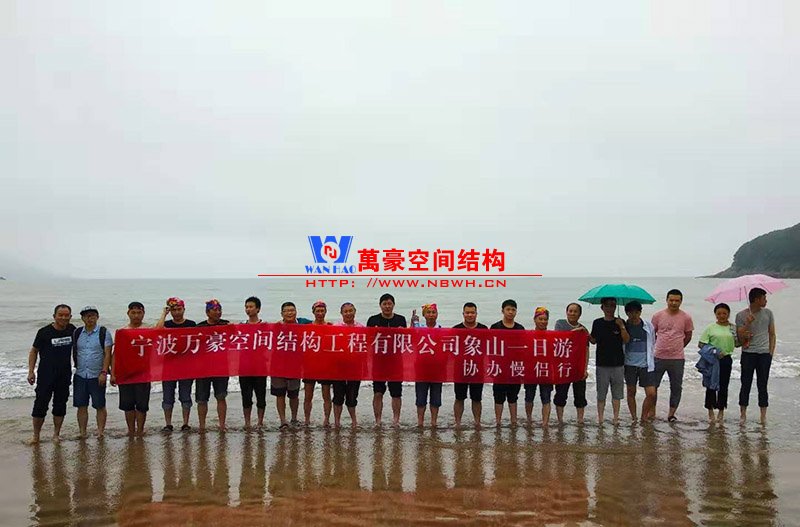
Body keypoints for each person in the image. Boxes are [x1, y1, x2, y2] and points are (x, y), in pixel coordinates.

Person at [28, 304, 76, 443]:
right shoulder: (44, 332)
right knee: (40, 405)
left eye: (66, 315)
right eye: (60, 315)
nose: (63, 318)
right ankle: (36, 436)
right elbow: (34, 351)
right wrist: (31, 371)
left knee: (60, 406)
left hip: (64, 375)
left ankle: (56, 435)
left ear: (70, 317)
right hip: (46, 375)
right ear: (54, 316)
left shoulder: (72, 330)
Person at [651, 289, 694, 422]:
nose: (674, 303)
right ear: (667, 300)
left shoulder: (686, 317)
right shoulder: (658, 316)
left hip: (677, 358)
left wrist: (678, 346)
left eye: (677, 300)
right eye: (671, 300)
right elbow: (652, 334)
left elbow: (688, 335)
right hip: (658, 356)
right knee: (653, 386)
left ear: (681, 301)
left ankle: (671, 414)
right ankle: (652, 412)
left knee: (676, 387)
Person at [111, 302, 152, 437]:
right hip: (125, 374)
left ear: (143, 314)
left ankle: (140, 430)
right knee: (127, 404)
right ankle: (131, 430)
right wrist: (113, 373)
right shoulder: (122, 332)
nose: (136, 316)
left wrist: (164, 313)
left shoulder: (148, 330)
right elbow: (116, 354)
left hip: (143, 373)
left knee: (142, 405)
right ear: (128, 313)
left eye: (139, 313)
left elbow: (161, 334)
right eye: (133, 313)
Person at [155, 297, 196, 431]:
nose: (177, 312)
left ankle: (185, 423)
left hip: (186, 366)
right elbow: (157, 331)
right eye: (174, 310)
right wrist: (164, 313)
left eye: (179, 309)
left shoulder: (191, 324)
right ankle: (168, 424)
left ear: (184, 309)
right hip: (168, 367)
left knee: (185, 396)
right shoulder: (167, 324)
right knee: (167, 397)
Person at [736, 287, 776, 425]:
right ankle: (743, 414)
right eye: (764, 298)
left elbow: (772, 334)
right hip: (748, 353)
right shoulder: (741, 315)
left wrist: (771, 352)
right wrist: (747, 323)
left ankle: (763, 416)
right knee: (745, 383)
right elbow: (739, 336)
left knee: (762, 384)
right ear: (756, 299)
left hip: (764, 354)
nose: (766, 301)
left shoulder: (768, 313)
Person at [366, 293, 407, 426]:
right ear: (380, 305)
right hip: (378, 361)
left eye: (389, 304)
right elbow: (366, 340)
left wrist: (403, 331)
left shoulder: (401, 319)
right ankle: (378, 420)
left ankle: (396, 420)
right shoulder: (373, 320)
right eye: (384, 304)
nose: (387, 306)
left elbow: (406, 340)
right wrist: (373, 333)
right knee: (378, 392)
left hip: (396, 361)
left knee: (396, 393)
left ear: (393, 305)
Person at [72, 305, 113, 438]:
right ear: (82, 318)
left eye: (92, 316)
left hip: (97, 375)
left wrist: (104, 372)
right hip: (80, 374)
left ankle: (100, 432)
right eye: (87, 316)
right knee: (81, 405)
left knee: (99, 405)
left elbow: (108, 354)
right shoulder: (77, 332)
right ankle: (82, 433)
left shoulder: (103, 332)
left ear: (97, 317)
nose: (90, 318)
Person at [589, 298, 629, 425]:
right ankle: (600, 418)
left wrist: (621, 326)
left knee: (617, 394)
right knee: (601, 393)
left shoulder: (620, 322)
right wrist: (583, 332)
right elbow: (593, 340)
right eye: (607, 305)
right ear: (602, 307)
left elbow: (626, 340)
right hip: (602, 363)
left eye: (612, 305)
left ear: (615, 307)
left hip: (618, 363)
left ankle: (615, 418)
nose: (609, 308)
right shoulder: (597, 322)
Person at [698, 303, 737, 424]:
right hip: (712, 360)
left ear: (728, 314)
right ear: (715, 314)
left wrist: (746, 336)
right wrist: (714, 351)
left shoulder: (733, 328)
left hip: (726, 359)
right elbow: (701, 344)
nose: (722, 316)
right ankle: (710, 411)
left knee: (723, 385)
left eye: (724, 313)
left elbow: (738, 343)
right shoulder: (711, 328)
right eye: (719, 313)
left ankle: (721, 411)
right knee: (711, 385)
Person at [195, 299, 231, 431]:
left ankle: (222, 425)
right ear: (207, 312)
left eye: (219, 310)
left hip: (221, 367)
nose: (218, 312)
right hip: (203, 368)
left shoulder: (226, 325)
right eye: (214, 310)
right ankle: (202, 426)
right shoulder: (199, 327)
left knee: (221, 396)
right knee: (202, 399)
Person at [452, 302, 488, 429]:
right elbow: (451, 349)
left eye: (472, 312)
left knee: (477, 398)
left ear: (476, 314)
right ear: (463, 314)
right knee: (459, 397)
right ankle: (457, 423)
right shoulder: (456, 329)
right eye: (467, 312)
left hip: (477, 368)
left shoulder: (484, 329)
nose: (470, 315)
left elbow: (489, 348)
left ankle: (477, 422)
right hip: (460, 368)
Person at [272, 302, 307, 429]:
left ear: (296, 312)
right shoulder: (276, 327)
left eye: (292, 310)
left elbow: (318, 325)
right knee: (280, 394)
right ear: (282, 313)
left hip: (295, 366)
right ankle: (283, 420)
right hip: (278, 366)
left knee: (294, 394)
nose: (289, 313)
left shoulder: (302, 324)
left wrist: (328, 325)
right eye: (286, 311)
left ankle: (294, 418)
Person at [553, 303, 589, 424]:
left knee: (580, 395)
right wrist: (576, 331)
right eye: (570, 311)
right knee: (561, 394)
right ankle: (560, 420)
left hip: (578, 366)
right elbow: (559, 338)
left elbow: (586, 350)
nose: (572, 313)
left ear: (580, 314)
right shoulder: (560, 323)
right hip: (563, 366)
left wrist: (585, 369)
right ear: (566, 312)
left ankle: (580, 420)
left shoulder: (583, 329)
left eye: (575, 311)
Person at [490, 299, 525, 426]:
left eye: (513, 310)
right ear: (502, 311)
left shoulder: (520, 328)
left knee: (513, 396)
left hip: (515, 367)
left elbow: (523, 348)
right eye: (508, 309)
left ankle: (514, 421)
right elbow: (490, 347)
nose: (510, 312)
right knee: (498, 396)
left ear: (516, 312)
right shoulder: (495, 327)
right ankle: (498, 422)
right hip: (499, 367)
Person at [623, 301, 656, 423]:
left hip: (646, 364)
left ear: (640, 312)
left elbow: (653, 341)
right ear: (627, 313)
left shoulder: (647, 325)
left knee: (651, 393)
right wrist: (621, 326)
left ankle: (644, 416)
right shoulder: (624, 326)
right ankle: (634, 417)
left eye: (636, 312)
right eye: (631, 312)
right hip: (629, 364)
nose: (634, 315)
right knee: (631, 392)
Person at [411, 303, 443, 428]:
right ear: (424, 315)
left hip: (437, 368)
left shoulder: (441, 329)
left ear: (437, 314)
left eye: (433, 312)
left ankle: (434, 422)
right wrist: (412, 322)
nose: (431, 315)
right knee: (420, 397)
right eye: (428, 312)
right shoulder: (419, 327)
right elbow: (411, 338)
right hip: (421, 367)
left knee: (436, 397)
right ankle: (420, 422)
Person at [332, 302, 364, 428]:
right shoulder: (336, 327)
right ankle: (337, 422)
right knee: (338, 396)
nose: (348, 313)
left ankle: (354, 421)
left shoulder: (361, 327)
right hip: (338, 367)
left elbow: (365, 347)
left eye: (351, 311)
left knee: (352, 396)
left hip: (355, 367)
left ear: (355, 311)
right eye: (346, 311)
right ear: (341, 313)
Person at [303, 301, 334, 427]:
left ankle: (326, 419)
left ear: (325, 312)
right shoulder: (307, 326)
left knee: (326, 395)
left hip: (325, 365)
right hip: (310, 365)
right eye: (317, 311)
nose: (320, 313)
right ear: (313, 312)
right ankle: (307, 420)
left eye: (322, 311)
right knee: (308, 395)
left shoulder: (331, 326)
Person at [240, 296, 268, 429]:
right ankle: (247, 422)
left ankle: (260, 422)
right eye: (246, 307)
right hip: (244, 367)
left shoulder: (265, 326)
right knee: (246, 397)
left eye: (251, 307)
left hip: (260, 367)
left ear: (258, 309)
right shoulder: (241, 326)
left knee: (261, 396)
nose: (248, 309)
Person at [525, 307, 553, 429]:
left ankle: (545, 423)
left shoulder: (552, 336)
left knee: (546, 397)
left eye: (545, 319)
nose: (543, 322)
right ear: (535, 319)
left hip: (546, 370)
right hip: (531, 370)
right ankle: (529, 419)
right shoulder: (528, 335)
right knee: (529, 397)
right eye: (540, 319)